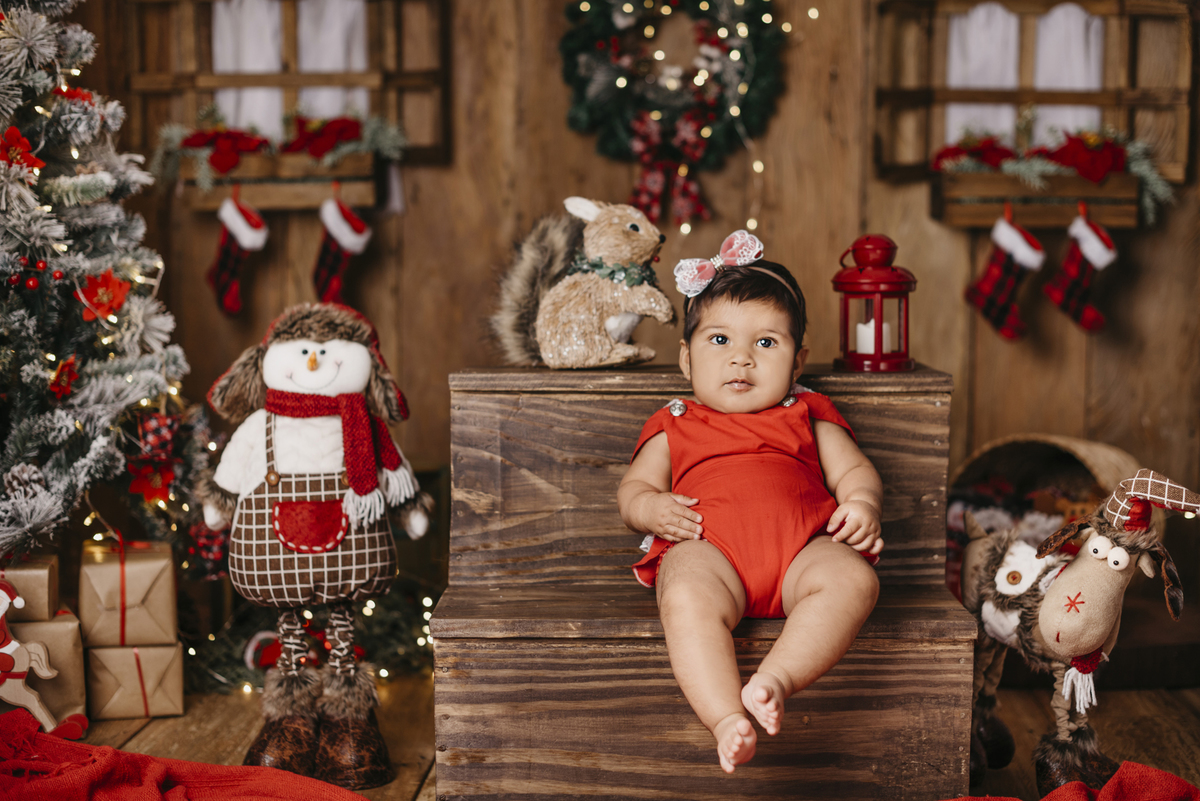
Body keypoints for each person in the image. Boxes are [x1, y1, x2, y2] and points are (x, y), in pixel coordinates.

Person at [617, 231, 884, 773]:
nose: (741, 359)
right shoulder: (676, 421)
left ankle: (775, 680)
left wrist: (862, 504)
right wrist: (650, 509)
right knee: (684, 590)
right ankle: (724, 717)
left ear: (798, 360)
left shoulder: (808, 412)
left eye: (766, 343)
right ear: (687, 360)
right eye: (719, 341)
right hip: (710, 551)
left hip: (804, 551)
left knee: (855, 579)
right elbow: (632, 491)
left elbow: (855, 470)